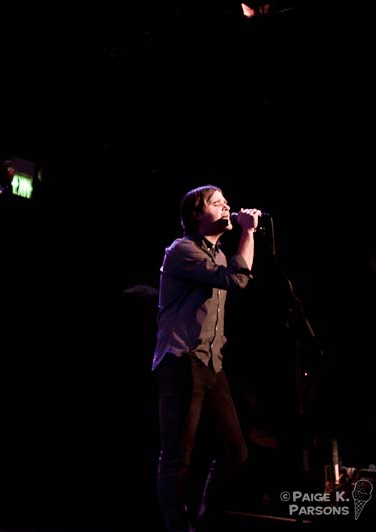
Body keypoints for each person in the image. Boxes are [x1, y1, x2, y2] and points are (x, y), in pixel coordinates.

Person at [152, 185, 262, 532]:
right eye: (218, 203)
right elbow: (236, 279)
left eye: (227, 202)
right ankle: (177, 527)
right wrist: (247, 231)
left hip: (211, 363)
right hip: (181, 359)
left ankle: (205, 521)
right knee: (177, 458)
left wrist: (246, 234)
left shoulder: (216, 255)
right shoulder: (182, 250)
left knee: (235, 450)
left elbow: (234, 275)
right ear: (197, 215)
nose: (227, 206)